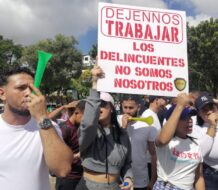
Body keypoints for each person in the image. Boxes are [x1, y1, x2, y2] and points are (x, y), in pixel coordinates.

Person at [0, 67, 74, 190]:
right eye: (21, 88)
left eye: (33, 88)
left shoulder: (48, 127)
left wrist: (42, 118)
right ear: (2, 94)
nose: (29, 93)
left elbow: (63, 170)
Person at [76, 65, 133, 190]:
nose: (98, 108)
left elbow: (127, 164)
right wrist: (95, 82)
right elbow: (89, 122)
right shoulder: (89, 131)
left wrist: (128, 178)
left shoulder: (122, 134)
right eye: (96, 105)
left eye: (102, 104)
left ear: (111, 108)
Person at [153, 93, 205, 190]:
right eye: (184, 117)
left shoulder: (195, 144)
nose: (189, 120)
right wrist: (180, 105)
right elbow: (163, 140)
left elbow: (199, 177)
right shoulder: (166, 141)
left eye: (190, 116)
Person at [119, 94, 157, 190]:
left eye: (131, 108)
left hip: (140, 179)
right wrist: (123, 127)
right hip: (119, 178)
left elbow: (153, 154)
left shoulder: (147, 126)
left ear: (138, 107)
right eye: (125, 107)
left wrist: (153, 179)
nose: (127, 111)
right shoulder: (116, 122)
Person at [55, 100, 86, 190]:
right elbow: (57, 157)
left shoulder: (80, 128)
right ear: (76, 113)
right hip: (67, 179)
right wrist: (78, 155)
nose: (87, 121)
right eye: (85, 117)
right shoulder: (64, 129)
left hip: (80, 177)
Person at [191, 93, 218, 189]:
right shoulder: (194, 125)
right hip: (211, 174)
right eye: (204, 109)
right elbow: (200, 153)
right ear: (198, 113)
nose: (209, 111)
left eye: (211, 107)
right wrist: (212, 125)